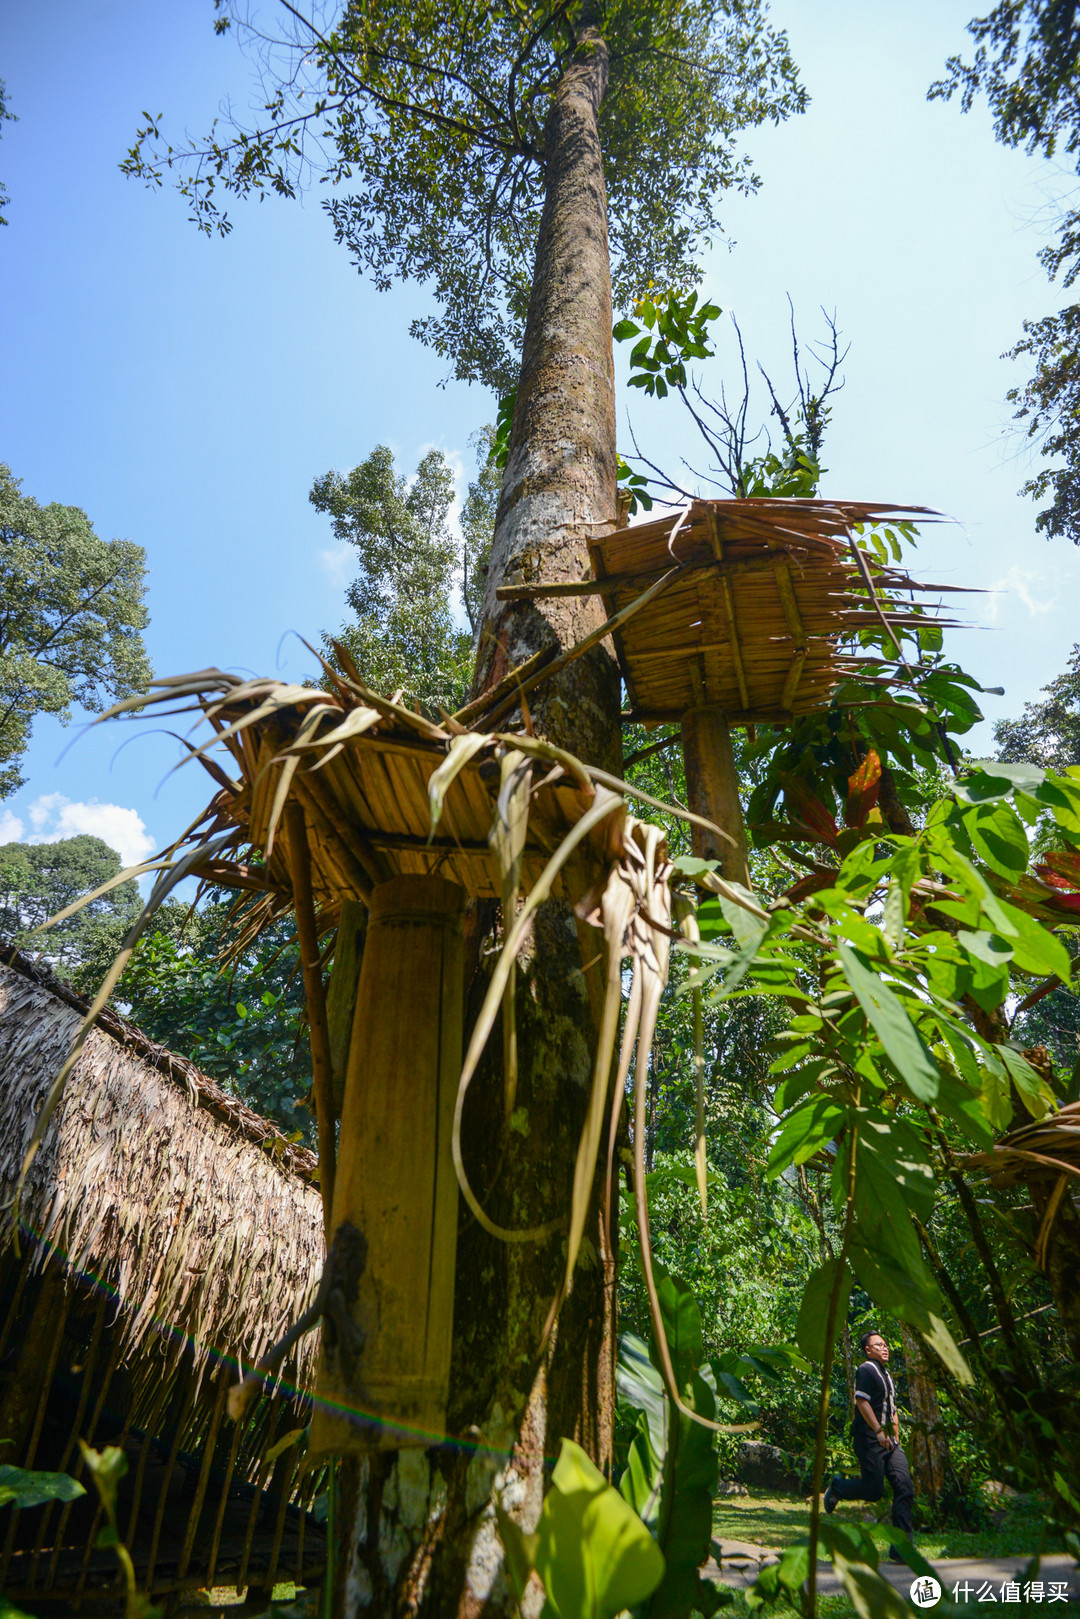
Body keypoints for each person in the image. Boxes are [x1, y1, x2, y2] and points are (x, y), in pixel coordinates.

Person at [824, 1329, 915, 1557]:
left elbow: (892, 1409)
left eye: (885, 1345)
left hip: (890, 1443)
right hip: (869, 1440)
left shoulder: (887, 1375)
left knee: (904, 1486)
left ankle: (902, 1549)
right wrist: (878, 1431)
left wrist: (894, 1435)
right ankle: (837, 1487)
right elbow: (861, 1401)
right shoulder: (866, 1369)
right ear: (868, 1350)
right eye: (878, 1345)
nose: (885, 1348)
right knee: (873, 1491)